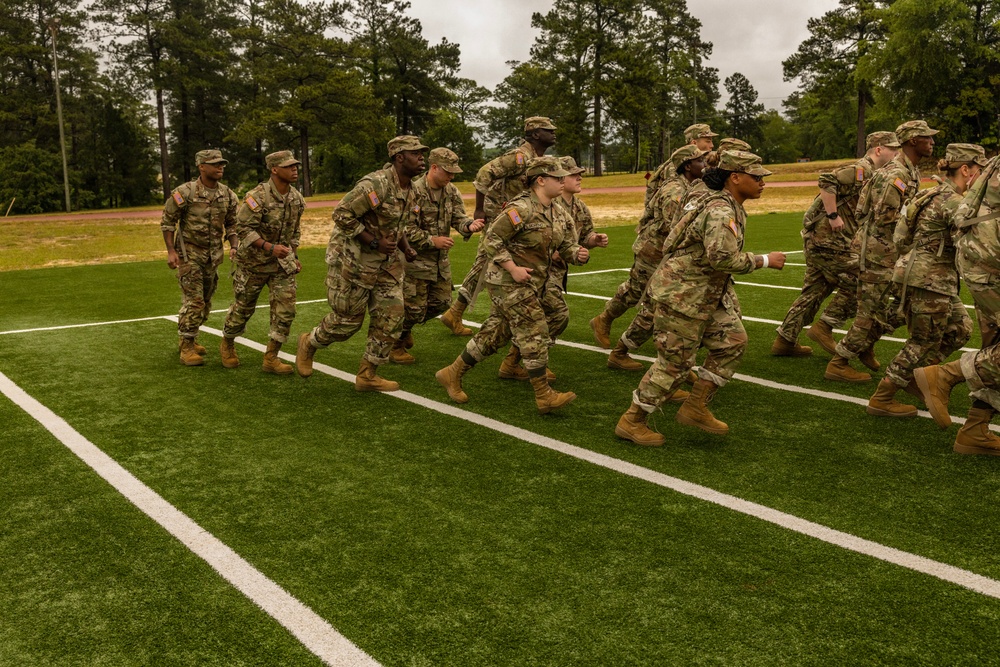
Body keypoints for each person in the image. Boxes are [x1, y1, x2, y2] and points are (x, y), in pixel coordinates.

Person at [615, 151, 786, 446]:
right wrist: (765, 260)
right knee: (675, 364)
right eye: (756, 177)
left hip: (704, 293)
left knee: (733, 342)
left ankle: (695, 405)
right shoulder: (721, 210)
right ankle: (632, 420)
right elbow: (722, 257)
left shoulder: (728, 204)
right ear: (735, 177)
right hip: (682, 294)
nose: (762, 183)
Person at [435, 157, 590, 413]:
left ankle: (452, 373)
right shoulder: (521, 209)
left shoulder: (557, 211)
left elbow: (566, 245)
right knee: (534, 329)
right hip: (506, 281)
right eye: (557, 178)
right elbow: (492, 239)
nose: (563, 181)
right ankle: (544, 395)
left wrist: (577, 253)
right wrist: (512, 267)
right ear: (540, 180)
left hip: (533, 283)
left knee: (497, 332)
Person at [295, 136, 421, 391]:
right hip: (355, 259)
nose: (421, 158)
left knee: (392, 315)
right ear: (399, 157)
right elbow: (341, 214)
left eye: (422, 153)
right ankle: (309, 342)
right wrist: (374, 242)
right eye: (415, 153)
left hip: (386, 263)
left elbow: (398, 223)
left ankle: (367, 374)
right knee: (347, 322)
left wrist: (406, 247)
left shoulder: (412, 189)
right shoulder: (376, 184)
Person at [866, 144, 984, 417]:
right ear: (965, 170)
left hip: (926, 277)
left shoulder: (934, 193)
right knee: (923, 340)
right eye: (980, 171)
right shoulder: (954, 202)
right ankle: (883, 397)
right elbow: (973, 243)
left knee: (960, 329)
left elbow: (902, 237)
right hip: (928, 280)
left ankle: (916, 376)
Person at [825, 120, 938, 383]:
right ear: (912, 141)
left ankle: (863, 346)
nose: (932, 142)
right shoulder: (895, 174)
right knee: (870, 310)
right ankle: (839, 362)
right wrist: (923, 220)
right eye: (927, 138)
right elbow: (887, 216)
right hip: (878, 253)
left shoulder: (909, 170)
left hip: (891, 252)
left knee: (895, 307)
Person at [772, 131, 900, 358]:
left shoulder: (875, 173)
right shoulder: (862, 170)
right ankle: (825, 327)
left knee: (815, 290)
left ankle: (785, 340)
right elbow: (827, 180)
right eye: (893, 149)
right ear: (879, 149)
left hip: (824, 240)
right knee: (865, 276)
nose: (897, 154)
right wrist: (833, 216)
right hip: (828, 241)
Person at [440, 117, 558, 336]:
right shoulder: (520, 156)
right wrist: (479, 210)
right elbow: (484, 174)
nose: (553, 132)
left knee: (488, 261)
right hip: (501, 216)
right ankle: (457, 312)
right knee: (488, 259)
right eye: (547, 130)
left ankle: (456, 312)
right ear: (534, 134)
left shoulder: (537, 158)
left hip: (518, 218)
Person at [915, 155, 1000, 454]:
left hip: (983, 258)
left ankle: (975, 430)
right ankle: (945, 375)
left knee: (997, 346)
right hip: (991, 261)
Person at [499, 156, 608, 380]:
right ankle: (530, 363)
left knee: (544, 317)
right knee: (546, 317)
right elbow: (503, 239)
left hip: (552, 274)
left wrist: (592, 241)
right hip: (530, 273)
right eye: (572, 174)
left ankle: (520, 361)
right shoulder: (539, 203)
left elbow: (579, 238)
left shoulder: (577, 207)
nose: (578, 178)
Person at [590, 145, 709, 350]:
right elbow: (677, 227)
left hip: (669, 249)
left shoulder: (691, 184)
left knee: (661, 297)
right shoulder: (675, 191)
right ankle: (604, 319)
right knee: (635, 291)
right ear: (688, 165)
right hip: (654, 249)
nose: (704, 164)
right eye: (700, 161)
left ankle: (665, 349)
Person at [391, 147, 485, 364]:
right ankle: (395, 344)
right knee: (413, 309)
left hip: (439, 263)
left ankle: (404, 329)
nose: (451, 176)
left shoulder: (451, 191)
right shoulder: (413, 191)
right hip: (415, 262)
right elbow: (403, 229)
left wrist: (469, 225)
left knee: (442, 303)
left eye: (453, 173)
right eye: (448, 172)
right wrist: (432, 240)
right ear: (433, 168)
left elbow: (458, 218)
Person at [220, 150, 304, 374]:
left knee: (286, 310)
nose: (294, 169)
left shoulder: (296, 198)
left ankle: (271, 357)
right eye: (288, 166)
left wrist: (293, 255)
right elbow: (243, 229)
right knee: (243, 308)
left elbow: (294, 230)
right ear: (274, 169)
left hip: (281, 265)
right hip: (254, 264)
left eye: (295, 165)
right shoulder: (257, 196)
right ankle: (228, 342)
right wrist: (269, 247)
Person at [160, 149, 239, 366]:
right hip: (190, 255)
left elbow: (232, 224)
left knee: (205, 302)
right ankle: (186, 347)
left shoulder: (227, 195)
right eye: (214, 164)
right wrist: (171, 251)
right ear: (201, 167)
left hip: (213, 257)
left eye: (221, 163)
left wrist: (234, 246)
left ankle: (190, 338)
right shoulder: (185, 192)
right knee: (194, 301)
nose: (220, 167)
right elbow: (168, 222)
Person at [645, 123, 718, 203]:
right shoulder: (674, 167)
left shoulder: (702, 162)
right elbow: (673, 199)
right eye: (708, 141)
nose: (712, 145)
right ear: (694, 143)